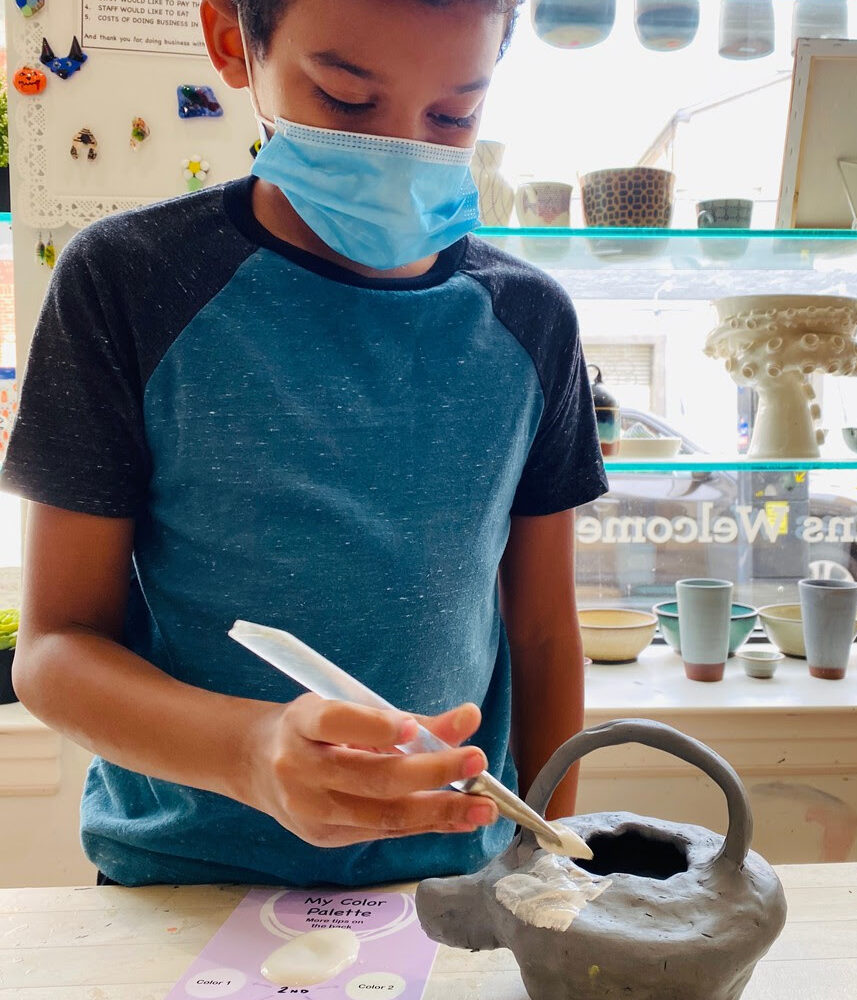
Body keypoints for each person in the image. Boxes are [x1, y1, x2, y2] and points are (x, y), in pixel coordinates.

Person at [0, 0, 607, 887]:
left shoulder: (529, 320)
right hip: (188, 879)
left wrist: (552, 867)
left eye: (454, 115)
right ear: (231, 41)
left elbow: (545, 634)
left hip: (454, 883)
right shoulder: (128, 282)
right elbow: (55, 650)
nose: (402, 150)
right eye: (346, 100)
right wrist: (247, 752)